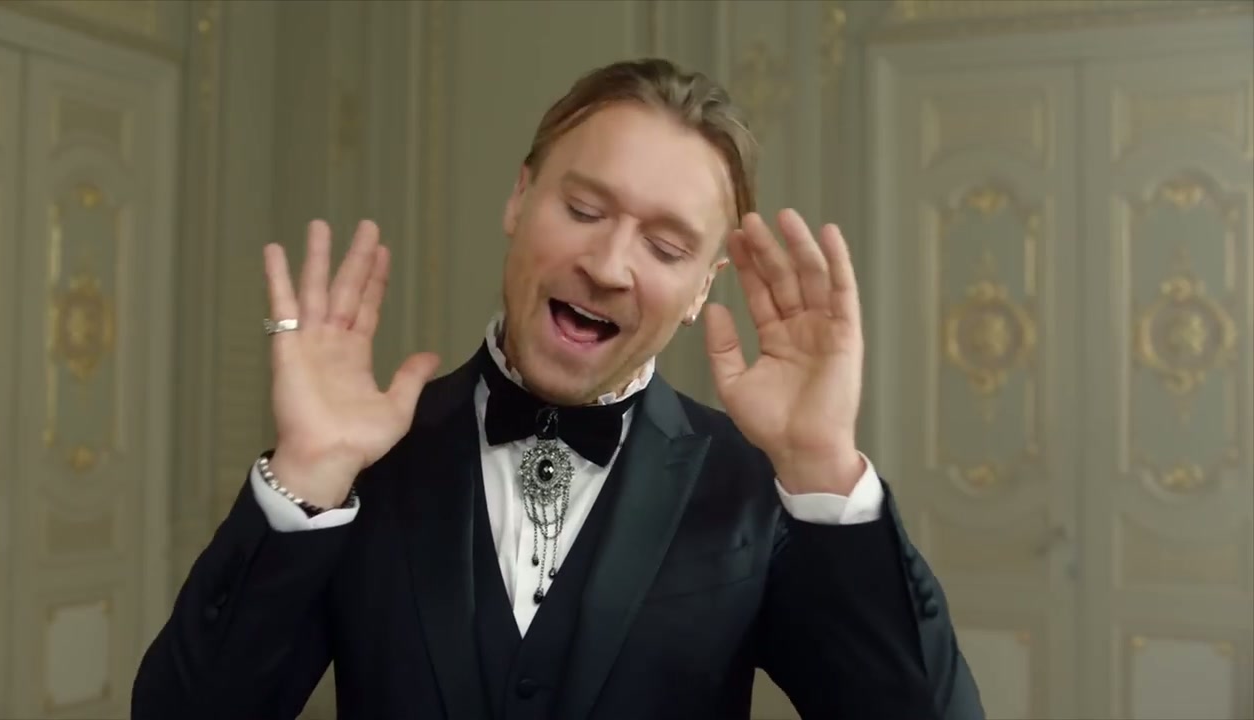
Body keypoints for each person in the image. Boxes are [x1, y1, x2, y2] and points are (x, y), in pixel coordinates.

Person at [132, 58, 983, 720]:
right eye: (583, 211)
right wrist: (307, 475)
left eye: (666, 247)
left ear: (702, 289)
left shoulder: (756, 484)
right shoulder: (369, 460)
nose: (608, 265)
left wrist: (824, 466)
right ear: (519, 198)